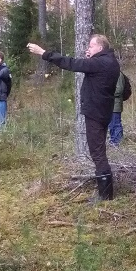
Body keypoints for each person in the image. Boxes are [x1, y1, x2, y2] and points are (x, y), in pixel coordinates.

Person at [27, 35, 120, 201]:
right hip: (103, 112)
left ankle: (105, 196)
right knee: (99, 152)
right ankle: (106, 193)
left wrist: (44, 53)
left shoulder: (99, 63)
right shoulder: (111, 62)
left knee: (98, 154)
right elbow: (125, 88)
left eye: (91, 46)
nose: (88, 49)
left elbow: (70, 63)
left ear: (100, 48)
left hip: (95, 113)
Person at [109, 72, 127, 146]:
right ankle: (113, 140)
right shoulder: (111, 73)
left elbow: (119, 90)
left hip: (116, 104)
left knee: (115, 123)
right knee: (111, 124)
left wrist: (106, 93)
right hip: (110, 103)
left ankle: (117, 142)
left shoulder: (118, 74)